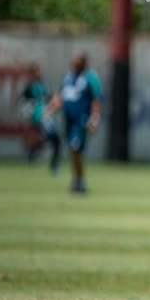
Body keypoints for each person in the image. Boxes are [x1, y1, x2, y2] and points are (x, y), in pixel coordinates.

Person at [48, 53, 103, 194]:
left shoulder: (91, 78)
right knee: (73, 150)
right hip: (68, 120)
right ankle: (77, 180)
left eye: (77, 63)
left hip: (81, 120)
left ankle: (80, 180)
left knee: (75, 148)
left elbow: (96, 99)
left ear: (84, 64)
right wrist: (50, 109)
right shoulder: (68, 77)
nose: (73, 65)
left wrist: (95, 119)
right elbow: (60, 96)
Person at [20, 63, 61, 174]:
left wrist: (55, 100)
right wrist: (29, 114)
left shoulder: (42, 85)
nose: (40, 73)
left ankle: (51, 163)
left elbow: (49, 98)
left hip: (46, 115)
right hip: (39, 116)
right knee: (53, 139)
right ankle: (51, 163)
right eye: (38, 71)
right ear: (33, 73)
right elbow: (25, 103)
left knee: (55, 140)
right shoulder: (30, 87)